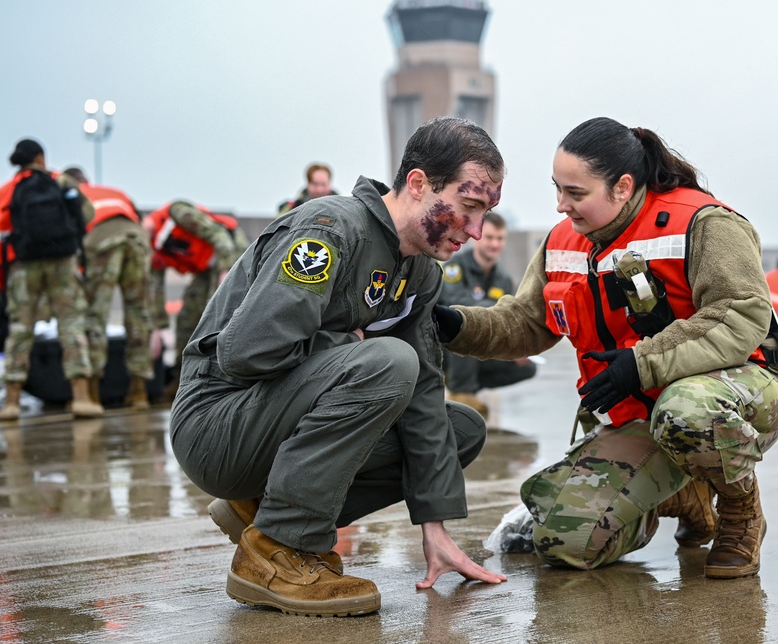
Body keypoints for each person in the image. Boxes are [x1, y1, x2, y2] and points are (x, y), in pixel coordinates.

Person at [435, 117, 778, 579]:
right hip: (644, 413)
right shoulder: (561, 243)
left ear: (623, 187)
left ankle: (741, 511)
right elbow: (526, 323)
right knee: (563, 542)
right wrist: (454, 325)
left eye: (575, 192)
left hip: (742, 391)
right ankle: (683, 493)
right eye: (557, 189)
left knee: (687, 410)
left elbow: (739, 317)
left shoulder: (704, 225)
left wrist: (641, 364)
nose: (560, 205)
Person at [169, 116, 508, 617]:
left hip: (269, 425)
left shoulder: (419, 271)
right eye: (468, 206)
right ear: (418, 183)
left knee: (458, 429)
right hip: (217, 422)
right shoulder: (329, 229)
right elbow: (244, 352)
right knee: (389, 361)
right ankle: (277, 553)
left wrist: (434, 526)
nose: (476, 230)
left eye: (485, 213)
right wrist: (348, 346)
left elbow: (422, 393)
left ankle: (262, 510)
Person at [0, 139, 104, 420]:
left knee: (20, 329)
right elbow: (88, 214)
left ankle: (10, 402)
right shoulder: (60, 180)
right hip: (63, 261)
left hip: (24, 265)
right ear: (41, 157)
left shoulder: (10, 189)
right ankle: (81, 397)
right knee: (71, 324)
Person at [63, 167, 154, 408]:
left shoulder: (71, 193)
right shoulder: (115, 192)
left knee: (96, 315)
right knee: (138, 314)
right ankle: (139, 392)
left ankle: (92, 394)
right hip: (137, 241)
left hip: (102, 243)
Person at [143, 200, 248, 398]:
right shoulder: (153, 249)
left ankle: (222, 378)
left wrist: (225, 270)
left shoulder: (177, 213)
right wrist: (158, 326)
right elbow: (155, 290)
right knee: (187, 315)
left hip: (229, 252)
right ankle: (182, 378)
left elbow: (220, 236)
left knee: (217, 313)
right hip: (206, 268)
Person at [440, 211, 537, 416]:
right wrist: (495, 310)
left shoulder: (503, 279)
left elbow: (511, 317)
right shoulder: (454, 268)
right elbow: (455, 303)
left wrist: (519, 346)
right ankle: (461, 392)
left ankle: (468, 389)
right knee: (468, 323)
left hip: (477, 353)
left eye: (500, 238)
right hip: (444, 348)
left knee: (527, 367)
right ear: (477, 237)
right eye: (490, 237)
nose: (495, 244)